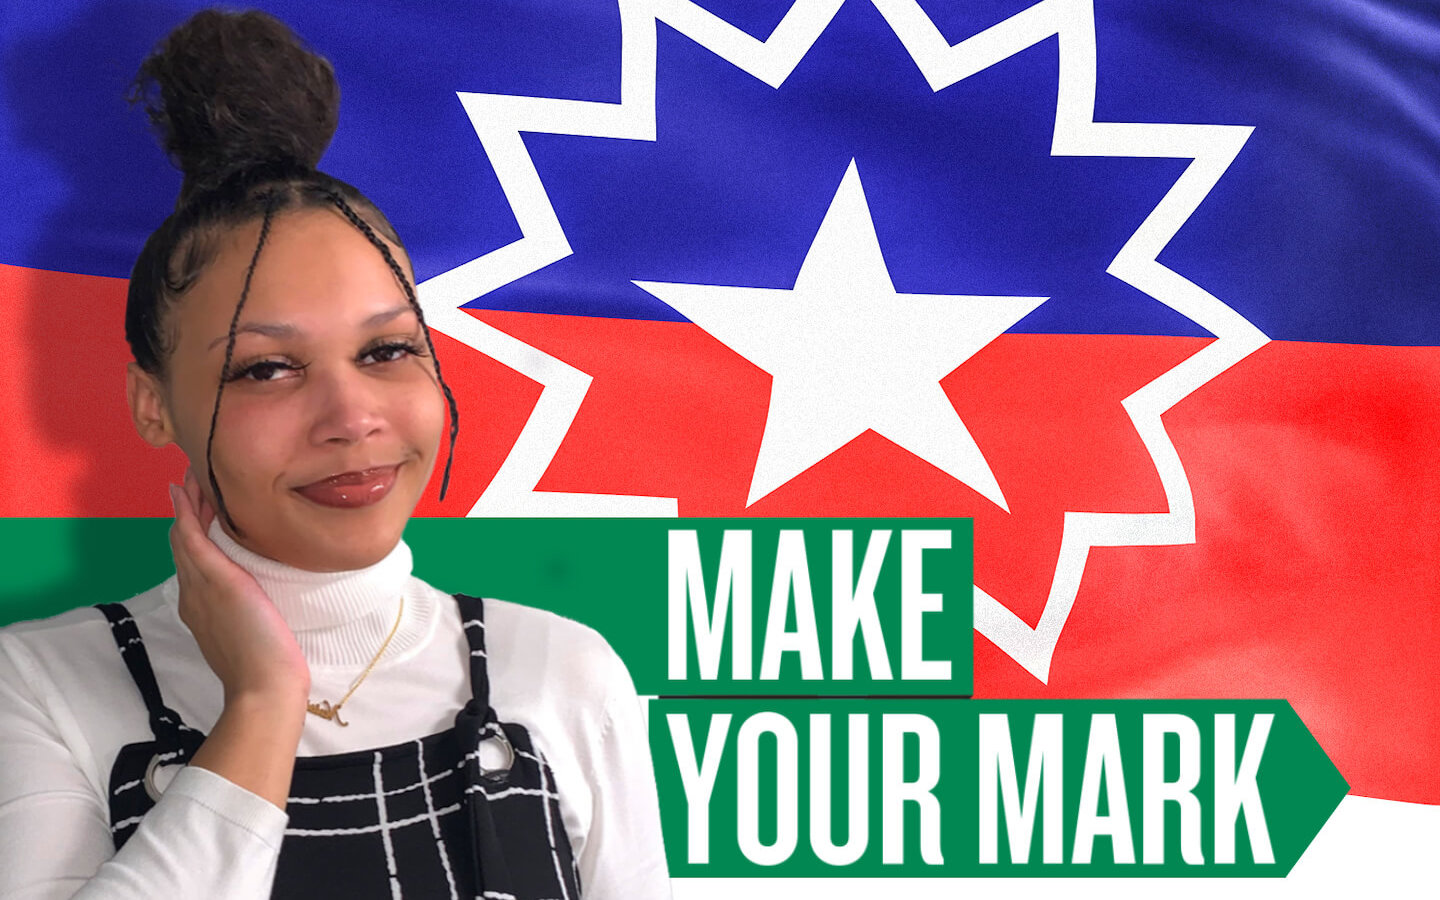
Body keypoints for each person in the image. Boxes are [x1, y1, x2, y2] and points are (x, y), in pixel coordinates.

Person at [0, 8, 670, 899]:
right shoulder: (36, 686)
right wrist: (264, 707)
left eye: (388, 351)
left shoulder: (561, 672)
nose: (350, 418)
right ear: (152, 405)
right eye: (268, 369)